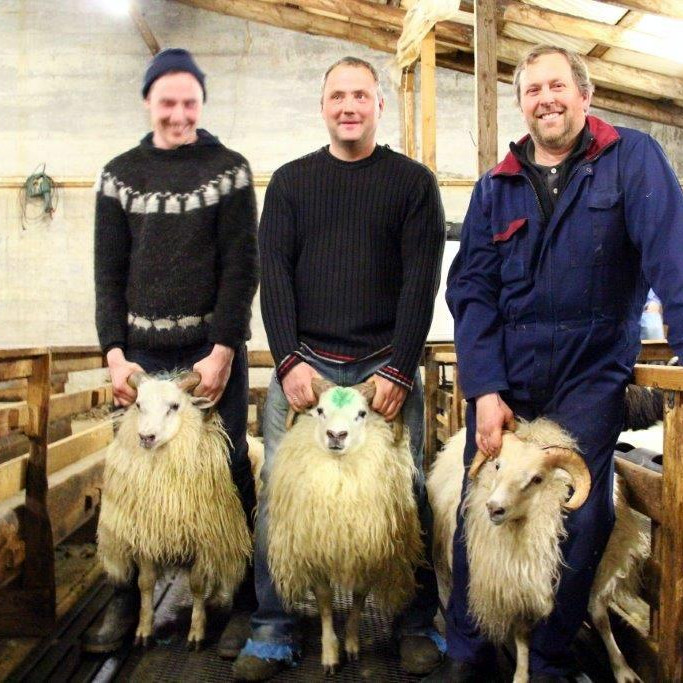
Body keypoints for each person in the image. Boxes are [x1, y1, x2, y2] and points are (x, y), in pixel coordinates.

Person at [427, 44, 683, 682]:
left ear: (584, 94)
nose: (546, 99)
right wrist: (484, 388)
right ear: (521, 103)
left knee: (585, 512)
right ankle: (468, 649)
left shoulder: (632, 160)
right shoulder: (496, 187)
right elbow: (472, 291)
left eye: (557, 86)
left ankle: (548, 655)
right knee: (478, 500)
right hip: (509, 374)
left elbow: (674, 257)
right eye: (533, 90)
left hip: (589, 373)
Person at [232, 56, 446, 681]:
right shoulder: (292, 183)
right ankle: (274, 627)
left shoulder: (412, 184)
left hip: (384, 368)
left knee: (405, 493)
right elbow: (274, 276)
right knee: (282, 490)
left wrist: (400, 368)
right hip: (308, 368)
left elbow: (421, 280)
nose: (348, 106)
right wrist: (289, 360)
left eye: (360, 95)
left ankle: (411, 621)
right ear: (322, 107)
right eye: (337, 96)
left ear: (380, 105)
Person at [86, 47, 259, 655]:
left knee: (228, 472)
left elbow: (241, 266)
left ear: (202, 103)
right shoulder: (118, 175)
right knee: (133, 479)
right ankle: (122, 593)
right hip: (142, 361)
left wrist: (224, 349)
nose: (179, 114)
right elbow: (108, 273)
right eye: (168, 102)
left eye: (190, 102)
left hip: (210, 359)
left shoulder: (229, 171)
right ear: (148, 102)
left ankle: (240, 599)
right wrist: (114, 353)